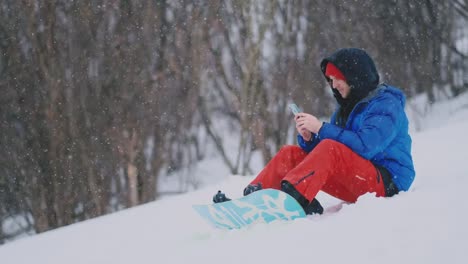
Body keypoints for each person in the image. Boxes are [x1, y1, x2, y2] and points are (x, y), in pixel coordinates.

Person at [213, 48, 415, 215]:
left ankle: (295, 199)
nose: (333, 85)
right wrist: (310, 139)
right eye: (330, 80)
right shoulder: (346, 109)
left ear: (355, 78)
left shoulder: (386, 105)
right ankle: (252, 202)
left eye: (337, 78)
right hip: (359, 179)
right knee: (290, 153)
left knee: (329, 148)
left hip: (387, 184)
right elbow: (334, 155)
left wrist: (321, 128)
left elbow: (365, 147)